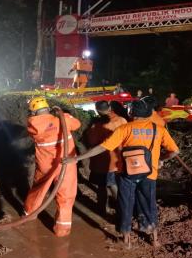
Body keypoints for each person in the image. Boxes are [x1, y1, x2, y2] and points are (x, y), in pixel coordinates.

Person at [63, 100, 180, 248]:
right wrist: (160, 159)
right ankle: (155, 239)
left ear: (132, 113)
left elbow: (102, 147)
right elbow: (175, 151)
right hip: (149, 174)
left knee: (125, 204)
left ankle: (127, 241)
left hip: (126, 174)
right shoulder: (159, 129)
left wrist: (76, 158)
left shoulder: (124, 128)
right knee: (149, 204)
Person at [24, 97, 81, 237]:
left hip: (46, 164)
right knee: (66, 196)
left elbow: (38, 129)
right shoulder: (64, 119)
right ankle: (62, 230)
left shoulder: (33, 124)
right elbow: (77, 125)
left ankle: (29, 214)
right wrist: (63, 115)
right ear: (48, 108)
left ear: (33, 112)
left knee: (39, 189)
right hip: (66, 164)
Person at [85, 101, 127, 217]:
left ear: (97, 110)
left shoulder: (96, 125)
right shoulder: (122, 120)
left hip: (101, 162)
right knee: (114, 184)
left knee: (103, 186)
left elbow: (91, 142)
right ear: (109, 108)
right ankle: (123, 208)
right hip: (118, 159)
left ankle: (103, 209)